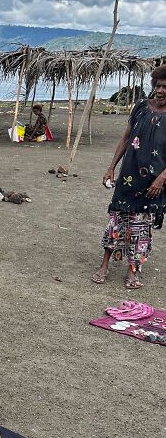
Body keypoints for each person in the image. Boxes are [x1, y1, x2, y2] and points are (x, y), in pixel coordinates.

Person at [92, 64, 166, 289]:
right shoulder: (141, 107)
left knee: (141, 228)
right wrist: (111, 167)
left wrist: (162, 178)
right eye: (159, 85)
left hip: (154, 182)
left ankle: (133, 271)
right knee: (116, 221)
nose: (161, 90)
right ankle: (104, 265)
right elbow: (125, 138)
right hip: (128, 177)